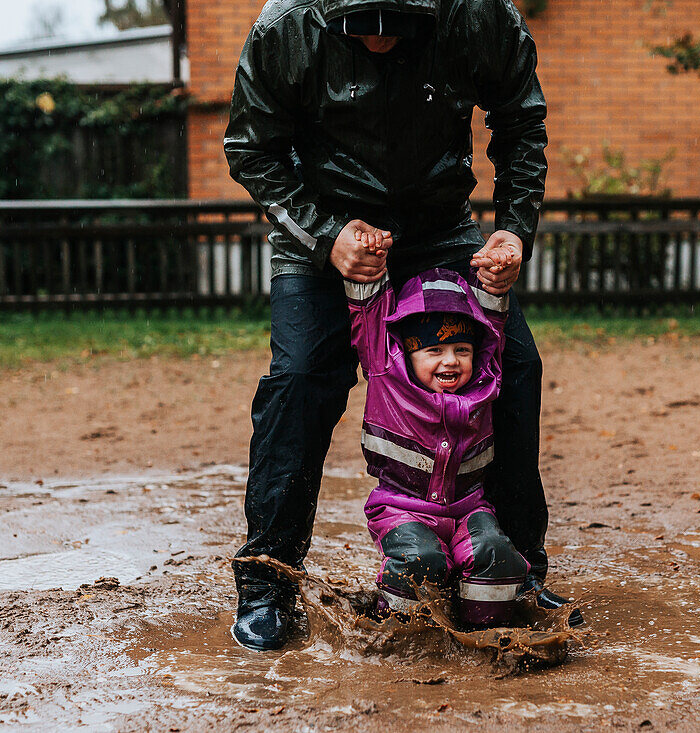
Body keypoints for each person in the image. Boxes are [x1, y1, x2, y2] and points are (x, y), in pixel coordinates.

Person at [224, 0, 568, 651]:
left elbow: (521, 120)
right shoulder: (285, 27)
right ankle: (268, 579)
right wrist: (327, 235)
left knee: (516, 366)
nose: (380, 43)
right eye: (362, 28)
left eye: (398, 27)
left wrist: (514, 229)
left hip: (440, 227)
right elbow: (251, 148)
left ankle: (515, 567)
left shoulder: (480, 16)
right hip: (321, 230)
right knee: (300, 379)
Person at [348, 248, 529, 626]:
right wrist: (368, 260)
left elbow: (492, 325)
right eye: (434, 350)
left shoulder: (484, 378)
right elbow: (367, 315)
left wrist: (494, 280)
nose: (450, 361)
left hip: (468, 508)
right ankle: (398, 630)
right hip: (401, 508)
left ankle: (483, 631)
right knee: (421, 560)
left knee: (497, 554)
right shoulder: (386, 370)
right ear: (408, 353)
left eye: (461, 349)